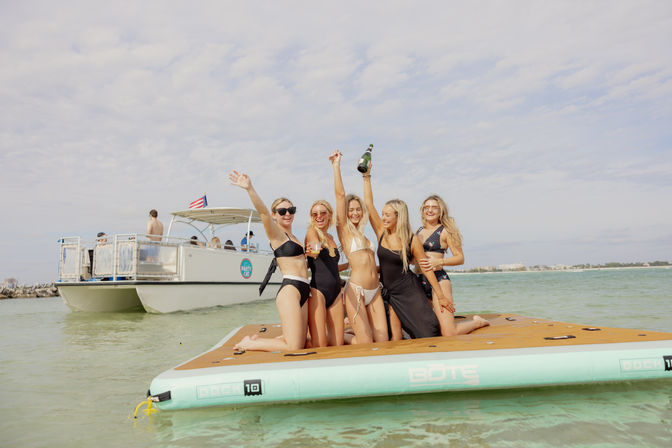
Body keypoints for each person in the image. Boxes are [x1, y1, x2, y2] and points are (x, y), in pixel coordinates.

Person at [362, 164, 448, 340]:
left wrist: (441, 296)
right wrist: (366, 176)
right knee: (395, 337)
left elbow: (425, 267)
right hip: (389, 292)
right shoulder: (381, 231)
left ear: (398, 216)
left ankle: (477, 323)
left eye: (387, 215)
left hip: (408, 290)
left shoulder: (411, 239)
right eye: (383, 214)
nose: (383, 218)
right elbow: (369, 204)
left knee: (429, 333)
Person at [229, 170, 309, 352]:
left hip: (304, 288)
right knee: (294, 346)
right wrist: (250, 189)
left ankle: (254, 339)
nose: (287, 213)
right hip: (291, 290)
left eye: (291, 210)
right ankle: (250, 344)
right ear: (275, 214)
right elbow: (263, 213)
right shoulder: (277, 234)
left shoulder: (294, 236)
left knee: (300, 341)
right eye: (282, 211)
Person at [330, 150, 388, 344]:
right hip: (356, 291)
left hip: (376, 292)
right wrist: (336, 166)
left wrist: (366, 177)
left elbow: (369, 264)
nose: (355, 213)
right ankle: (339, 336)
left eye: (357, 209)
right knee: (365, 343)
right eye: (351, 210)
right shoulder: (344, 231)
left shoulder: (365, 235)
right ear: (346, 213)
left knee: (383, 341)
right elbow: (340, 196)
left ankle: (345, 333)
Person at [416, 195, 489, 336]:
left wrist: (439, 261)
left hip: (439, 280)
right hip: (419, 280)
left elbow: (460, 258)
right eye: (426, 207)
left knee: (449, 332)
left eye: (434, 207)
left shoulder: (445, 231)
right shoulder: (418, 231)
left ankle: (478, 322)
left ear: (440, 211)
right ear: (422, 210)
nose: (430, 210)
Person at [305, 199, 347, 347]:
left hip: (336, 291)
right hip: (318, 292)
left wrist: (350, 264)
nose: (319, 216)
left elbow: (331, 266)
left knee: (338, 344)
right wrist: (307, 252)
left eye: (323, 213)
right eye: (315, 214)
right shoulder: (311, 231)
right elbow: (314, 252)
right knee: (320, 346)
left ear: (330, 215)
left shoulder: (331, 237)